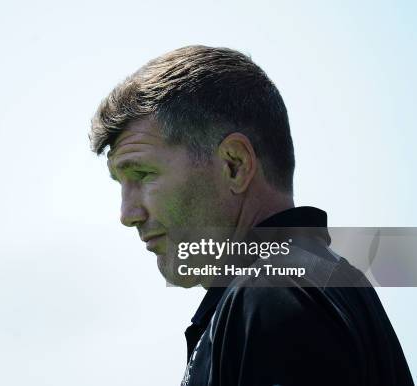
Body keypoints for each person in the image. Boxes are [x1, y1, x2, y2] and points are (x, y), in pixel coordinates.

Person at [89, 46, 413, 385]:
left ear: (234, 165)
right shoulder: (324, 284)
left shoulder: (272, 296)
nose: (128, 214)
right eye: (121, 183)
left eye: (142, 174)